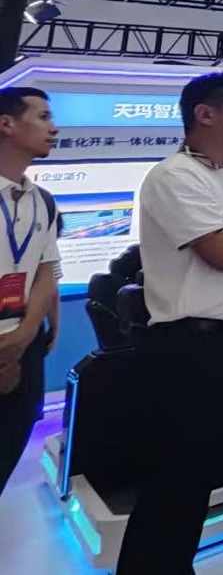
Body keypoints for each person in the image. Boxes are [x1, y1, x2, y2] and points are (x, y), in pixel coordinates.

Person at [118, 73, 223, 575]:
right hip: (189, 347)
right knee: (176, 474)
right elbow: (219, 252)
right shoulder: (175, 175)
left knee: (198, 474)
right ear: (205, 113)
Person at [0, 87, 59, 498]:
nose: (53, 128)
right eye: (42, 117)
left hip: (24, 346)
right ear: (6, 124)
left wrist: (24, 335)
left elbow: (44, 269)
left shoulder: (43, 201)